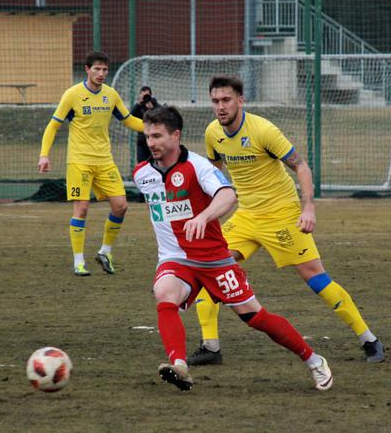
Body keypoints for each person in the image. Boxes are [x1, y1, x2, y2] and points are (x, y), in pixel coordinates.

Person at [132, 105, 333, 392]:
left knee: (255, 317)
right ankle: (180, 365)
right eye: (148, 136)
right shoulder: (142, 174)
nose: (151, 143)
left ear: (176, 136)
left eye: (158, 136)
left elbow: (228, 195)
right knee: (164, 294)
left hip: (213, 259)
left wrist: (203, 216)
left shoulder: (198, 166)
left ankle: (313, 360)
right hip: (176, 259)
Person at [189, 75, 385, 366]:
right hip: (246, 216)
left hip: (282, 214)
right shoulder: (212, 133)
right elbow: (214, 176)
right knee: (209, 268)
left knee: (316, 279)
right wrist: (205, 213)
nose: (220, 106)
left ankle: (369, 339)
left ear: (240, 100)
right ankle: (210, 347)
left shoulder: (263, 130)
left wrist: (308, 208)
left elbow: (301, 167)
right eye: (216, 101)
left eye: (226, 100)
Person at [38, 51, 144, 276]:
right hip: (79, 161)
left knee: (121, 206)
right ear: (87, 69)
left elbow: (128, 120)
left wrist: (155, 127)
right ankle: (79, 261)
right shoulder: (72, 94)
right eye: (97, 69)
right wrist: (44, 155)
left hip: (105, 160)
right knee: (82, 208)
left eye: (105, 70)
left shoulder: (111, 95)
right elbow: (53, 125)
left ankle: (105, 252)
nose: (101, 73)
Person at [131, 86, 160, 163]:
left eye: (147, 95)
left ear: (150, 95)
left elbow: (161, 116)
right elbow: (130, 117)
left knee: (155, 162)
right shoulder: (139, 106)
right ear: (140, 95)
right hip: (142, 140)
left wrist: (152, 109)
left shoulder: (155, 104)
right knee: (141, 163)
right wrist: (138, 104)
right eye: (143, 96)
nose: (145, 98)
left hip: (154, 140)